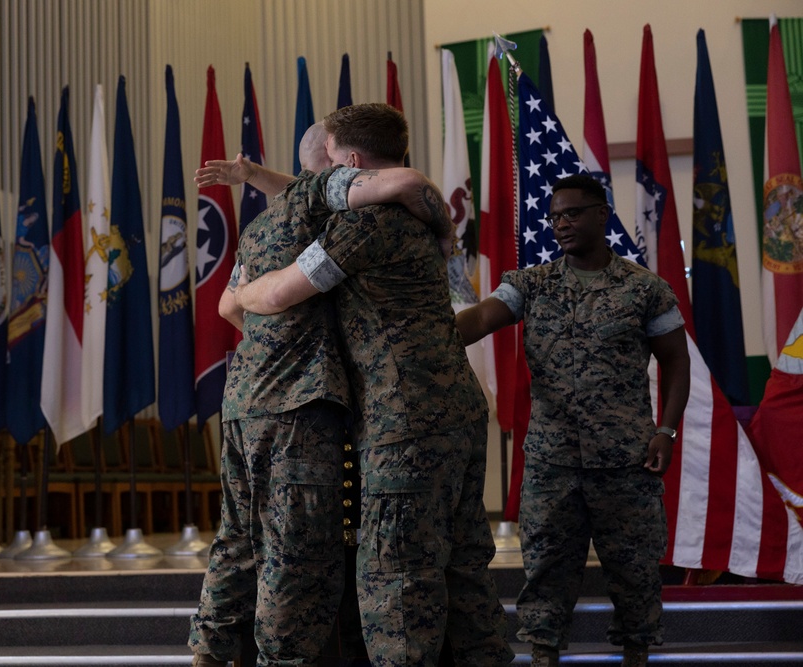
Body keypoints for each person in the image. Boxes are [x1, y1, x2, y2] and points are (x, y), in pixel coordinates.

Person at [234, 103, 512, 666]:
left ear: (353, 164)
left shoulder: (365, 226)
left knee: (397, 581)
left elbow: (280, 292)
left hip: (402, 421)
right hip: (456, 408)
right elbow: (316, 192)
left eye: (334, 162)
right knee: (464, 569)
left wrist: (239, 292)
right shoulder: (423, 217)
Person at [189, 123, 449, 667]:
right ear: (341, 168)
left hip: (243, 403)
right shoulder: (330, 211)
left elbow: (228, 306)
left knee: (237, 538)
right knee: (296, 555)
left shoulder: (260, 227)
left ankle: (208, 653)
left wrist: (252, 175)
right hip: (298, 410)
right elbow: (405, 183)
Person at [453, 174, 691, 667]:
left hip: (625, 461)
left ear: (601, 215)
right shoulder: (531, 284)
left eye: (573, 213)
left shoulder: (645, 289)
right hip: (552, 462)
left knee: (635, 568)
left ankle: (637, 652)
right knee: (545, 568)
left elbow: (676, 361)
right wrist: (422, 333)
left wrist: (666, 430)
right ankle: (544, 655)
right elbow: (480, 319)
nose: (562, 223)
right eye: (555, 217)